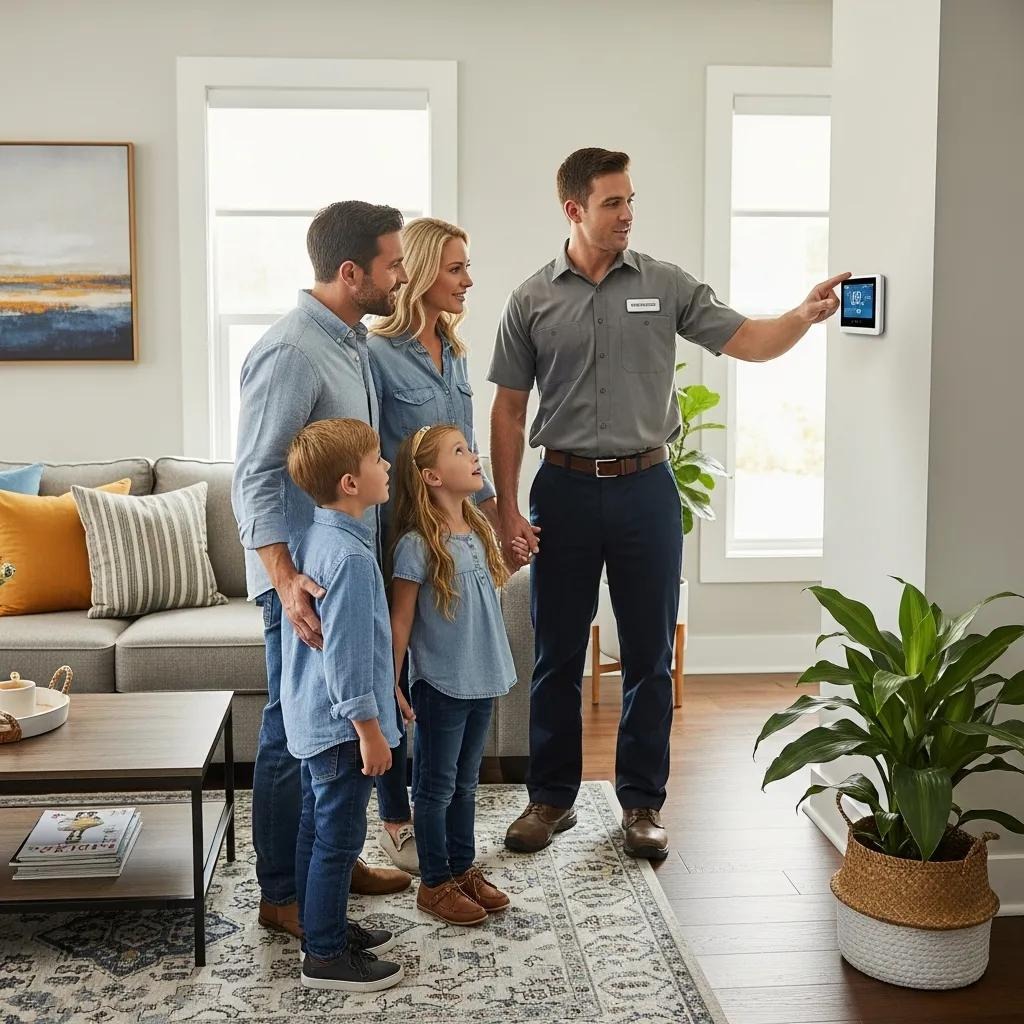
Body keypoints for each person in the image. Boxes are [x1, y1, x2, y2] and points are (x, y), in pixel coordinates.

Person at [489, 147, 849, 860]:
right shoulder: (532, 298)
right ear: (574, 210)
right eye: (612, 203)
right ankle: (551, 799)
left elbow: (746, 338)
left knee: (650, 653)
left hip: (647, 488)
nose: (627, 215)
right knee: (556, 652)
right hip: (559, 487)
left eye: (630, 201)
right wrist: (505, 510)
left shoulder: (664, 283)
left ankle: (641, 805)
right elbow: (507, 410)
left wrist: (804, 315)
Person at [231, 201, 412, 940]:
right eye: (394, 265)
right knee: (290, 731)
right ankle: (283, 894)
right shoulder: (293, 351)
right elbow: (255, 475)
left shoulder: (351, 341)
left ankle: (325, 870)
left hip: (342, 569)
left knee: (335, 733)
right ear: (351, 273)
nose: (403, 276)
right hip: (304, 581)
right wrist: (281, 576)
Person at [367, 217, 529, 874]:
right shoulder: (374, 352)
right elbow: (372, 449)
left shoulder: (456, 352)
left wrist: (501, 518)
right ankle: (397, 820)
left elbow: (467, 456)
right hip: (403, 538)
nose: (468, 280)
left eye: (468, 267)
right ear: (425, 270)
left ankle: (445, 825)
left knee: (450, 670)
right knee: (404, 672)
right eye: (457, 267)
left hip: (456, 531)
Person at [281, 417, 404, 992]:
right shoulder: (351, 559)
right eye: (378, 460)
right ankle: (326, 957)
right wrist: (369, 730)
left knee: (314, 829)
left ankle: (320, 928)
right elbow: (350, 656)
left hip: (313, 715)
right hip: (340, 727)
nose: (386, 467)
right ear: (351, 483)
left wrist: (390, 690)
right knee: (339, 838)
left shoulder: (316, 535)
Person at [389, 424, 516, 925]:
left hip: (481, 677)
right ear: (432, 476)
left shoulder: (479, 532)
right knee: (436, 787)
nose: (474, 455)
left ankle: (462, 868)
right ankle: (434, 882)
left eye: (471, 447)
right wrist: (392, 682)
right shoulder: (417, 545)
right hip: (440, 684)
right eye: (460, 451)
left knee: (467, 783)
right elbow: (400, 619)